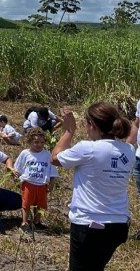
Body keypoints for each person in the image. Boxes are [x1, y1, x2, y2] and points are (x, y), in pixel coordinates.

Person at [51, 103, 138, 271]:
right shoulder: (128, 150)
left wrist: (69, 131)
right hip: (118, 225)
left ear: (92, 124)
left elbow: (54, 159)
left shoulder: (87, 148)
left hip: (89, 225)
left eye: (85, 123)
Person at [13, 127, 59, 232]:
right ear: (29, 141)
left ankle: (37, 222)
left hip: (42, 184)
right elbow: (17, 169)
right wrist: (16, 178)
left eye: (42, 142)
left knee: (41, 205)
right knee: (26, 203)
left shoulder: (47, 154)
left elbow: (52, 171)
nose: (39, 145)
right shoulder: (25, 153)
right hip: (28, 183)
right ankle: (24, 222)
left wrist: (51, 183)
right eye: (36, 142)